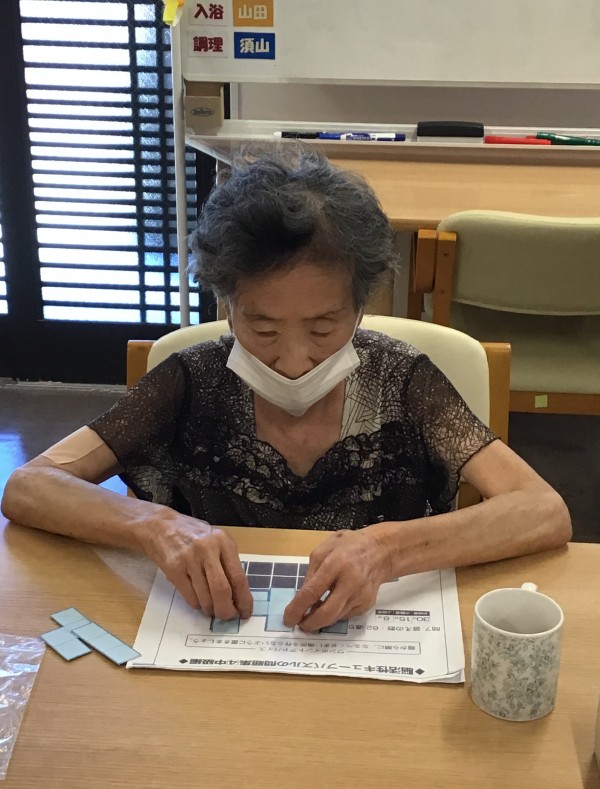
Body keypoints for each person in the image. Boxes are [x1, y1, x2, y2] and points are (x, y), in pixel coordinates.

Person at [1, 146, 571, 633]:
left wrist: (386, 548)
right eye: (263, 328)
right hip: (215, 639)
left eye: (323, 328)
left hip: (367, 644)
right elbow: (30, 486)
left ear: (361, 306)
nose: (294, 360)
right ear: (226, 305)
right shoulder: (191, 380)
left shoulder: (400, 379)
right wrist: (158, 527)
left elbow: (542, 511)